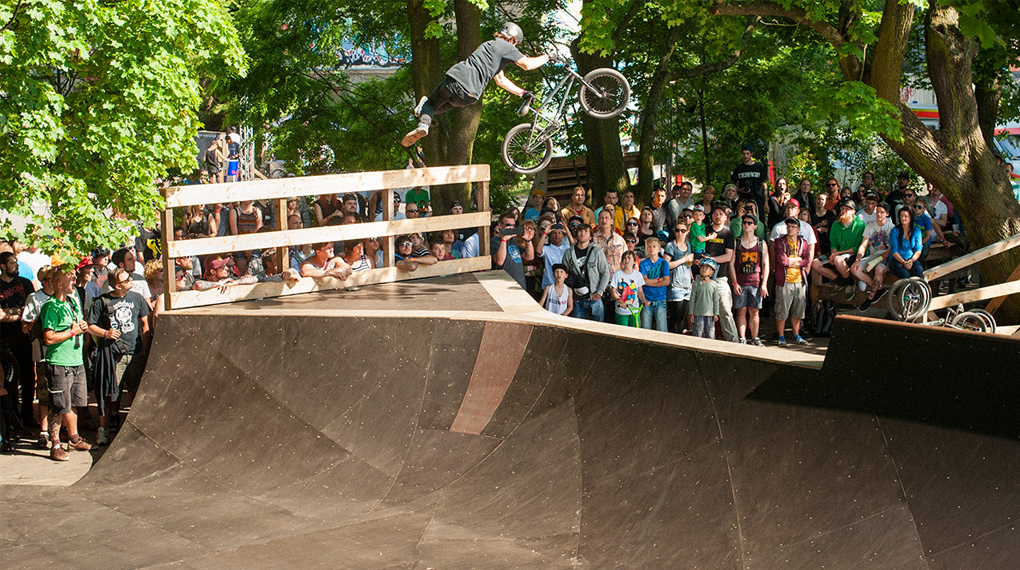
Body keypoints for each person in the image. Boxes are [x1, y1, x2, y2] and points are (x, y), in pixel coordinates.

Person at [403, 22, 556, 146]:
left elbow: (502, 78)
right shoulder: (506, 47)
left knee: (430, 104)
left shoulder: (487, 46)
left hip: (455, 82)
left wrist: (522, 92)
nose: (514, 48)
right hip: (469, 96)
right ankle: (424, 121)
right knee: (434, 108)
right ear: (512, 39)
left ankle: (423, 121)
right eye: (515, 45)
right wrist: (548, 56)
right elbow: (526, 65)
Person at [85, 268, 150, 445]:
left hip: (135, 353)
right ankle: (103, 429)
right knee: (109, 392)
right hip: (113, 355)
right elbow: (89, 326)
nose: (131, 280)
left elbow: (145, 324)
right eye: (127, 279)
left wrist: (144, 350)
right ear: (117, 285)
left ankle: (134, 428)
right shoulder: (101, 302)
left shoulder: (137, 298)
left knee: (135, 392)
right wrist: (105, 333)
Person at [39, 266, 92, 460]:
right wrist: (73, 332)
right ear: (60, 284)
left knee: (75, 403)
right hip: (59, 362)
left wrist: (82, 327)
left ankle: (73, 437)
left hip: (76, 360)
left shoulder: (71, 302)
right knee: (58, 405)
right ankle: (55, 444)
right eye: (70, 280)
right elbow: (49, 338)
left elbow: (78, 325)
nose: (74, 283)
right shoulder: (50, 307)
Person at [0, 251, 35, 426]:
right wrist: (18, 313)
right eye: (13, 263)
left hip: (24, 338)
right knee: (9, 381)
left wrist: (10, 313)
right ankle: (11, 418)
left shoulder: (25, 283)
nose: (17, 266)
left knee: (29, 378)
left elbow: (30, 312)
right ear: (3, 266)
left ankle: (28, 416)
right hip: (4, 340)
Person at [730, 214, 769, 346]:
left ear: (755, 226)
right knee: (741, 310)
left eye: (749, 223)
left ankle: (755, 337)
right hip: (740, 281)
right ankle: (742, 338)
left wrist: (764, 284)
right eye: (744, 222)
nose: (746, 225)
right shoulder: (737, 242)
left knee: (754, 311)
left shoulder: (760, 243)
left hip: (755, 282)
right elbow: (731, 264)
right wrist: (734, 282)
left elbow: (765, 264)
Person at [703, 205, 738, 342]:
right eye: (715, 213)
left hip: (721, 278)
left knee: (725, 310)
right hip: (703, 277)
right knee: (702, 312)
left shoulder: (728, 234)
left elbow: (728, 256)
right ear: (711, 216)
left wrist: (710, 260)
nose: (718, 216)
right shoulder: (704, 230)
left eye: (721, 214)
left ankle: (733, 340)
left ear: (726, 218)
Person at [811, 199, 865, 287]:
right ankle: (839, 281)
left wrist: (837, 254)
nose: (843, 211)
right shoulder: (836, 224)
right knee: (815, 263)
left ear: (853, 212)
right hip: (838, 253)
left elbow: (857, 247)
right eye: (842, 209)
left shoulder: (860, 225)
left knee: (838, 260)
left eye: (847, 209)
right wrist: (833, 254)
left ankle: (849, 282)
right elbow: (834, 243)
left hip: (852, 254)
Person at [562, 222, 610, 322]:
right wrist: (570, 295)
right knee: (579, 328)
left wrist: (599, 292)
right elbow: (564, 274)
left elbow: (605, 273)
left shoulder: (597, 252)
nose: (582, 233)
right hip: (577, 299)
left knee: (598, 328)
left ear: (591, 237)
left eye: (586, 231)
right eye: (580, 231)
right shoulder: (569, 253)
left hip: (594, 297)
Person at [774, 218, 810, 347]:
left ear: (798, 229)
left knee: (798, 310)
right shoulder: (780, 242)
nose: (790, 229)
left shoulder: (803, 243)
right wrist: (797, 260)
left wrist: (792, 261)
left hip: (800, 281)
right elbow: (782, 261)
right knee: (781, 310)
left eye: (793, 227)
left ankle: (796, 334)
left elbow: (806, 261)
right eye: (788, 226)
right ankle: (781, 335)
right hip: (785, 281)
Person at [852, 201, 893, 311]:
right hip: (873, 254)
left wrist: (878, 260)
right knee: (855, 269)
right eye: (877, 212)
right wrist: (858, 259)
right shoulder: (870, 226)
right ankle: (878, 289)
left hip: (885, 256)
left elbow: (891, 249)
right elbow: (863, 244)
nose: (879, 214)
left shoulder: (891, 227)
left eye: (882, 212)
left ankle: (871, 296)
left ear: (887, 214)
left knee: (879, 269)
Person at [491, 213, 535, 289]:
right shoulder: (494, 242)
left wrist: (528, 240)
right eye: (508, 225)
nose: (511, 228)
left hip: (519, 285)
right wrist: (504, 240)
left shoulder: (513, 241)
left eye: (513, 226)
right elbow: (499, 261)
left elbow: (529, 257)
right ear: (500, 226)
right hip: (504, 286)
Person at [638, 238, 670, 331]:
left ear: (659, 249)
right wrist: (658, 280)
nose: (651, 249)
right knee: (645, 328)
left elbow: (666, 281)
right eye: (649, 247)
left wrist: (649, 281)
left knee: (662, 328)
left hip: (660, 298)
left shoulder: (664, 263)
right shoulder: (644, 263)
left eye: (654, 246)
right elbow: (643, 281)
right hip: (646, 298)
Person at [610, 250, 647, 327]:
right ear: (622, 261)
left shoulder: (638, 275)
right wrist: (620, 301)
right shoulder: (617, 274)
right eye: (625, 258)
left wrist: (644, 300)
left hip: (635, 310)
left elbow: (640, 291)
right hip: (622, 311)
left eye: (629, 258)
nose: (627, 260)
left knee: (635, 332)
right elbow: (613, 291)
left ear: (634, 261)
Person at [730, 144, 769, 214]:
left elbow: (764, 185)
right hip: (743, 200)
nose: (745, 156)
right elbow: (733, 185)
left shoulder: (759, 167)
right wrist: (739, 190)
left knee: (759, 221)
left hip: (758, 199)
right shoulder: (738, 169)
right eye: (743, 154)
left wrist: (766, 202)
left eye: (747, 154)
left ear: (751, 154)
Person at [888, 206, 924, 278]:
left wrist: (912, 260)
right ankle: (908, 289)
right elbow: (894, 251)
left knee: (918, 270)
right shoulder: (894, 231)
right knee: (905, 274)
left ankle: (916, 288)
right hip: (897, 259)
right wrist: (903, 262)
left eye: (906, 216)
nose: (903, 218)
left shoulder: (916, 231)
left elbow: (918, 249)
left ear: (911, 217)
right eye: (901, 216)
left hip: (910, 258)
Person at [689, 258, 721, 339]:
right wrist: (691, 313)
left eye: (707, 268)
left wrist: (716, 313)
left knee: (710, 333)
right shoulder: (696, 284)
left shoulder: (714, 284)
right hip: (698, 313)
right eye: (702, 267)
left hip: (710, 314)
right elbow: (692, 299)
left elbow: (715, 300)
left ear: (712, 272)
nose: (704, 269)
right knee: (697, 332)